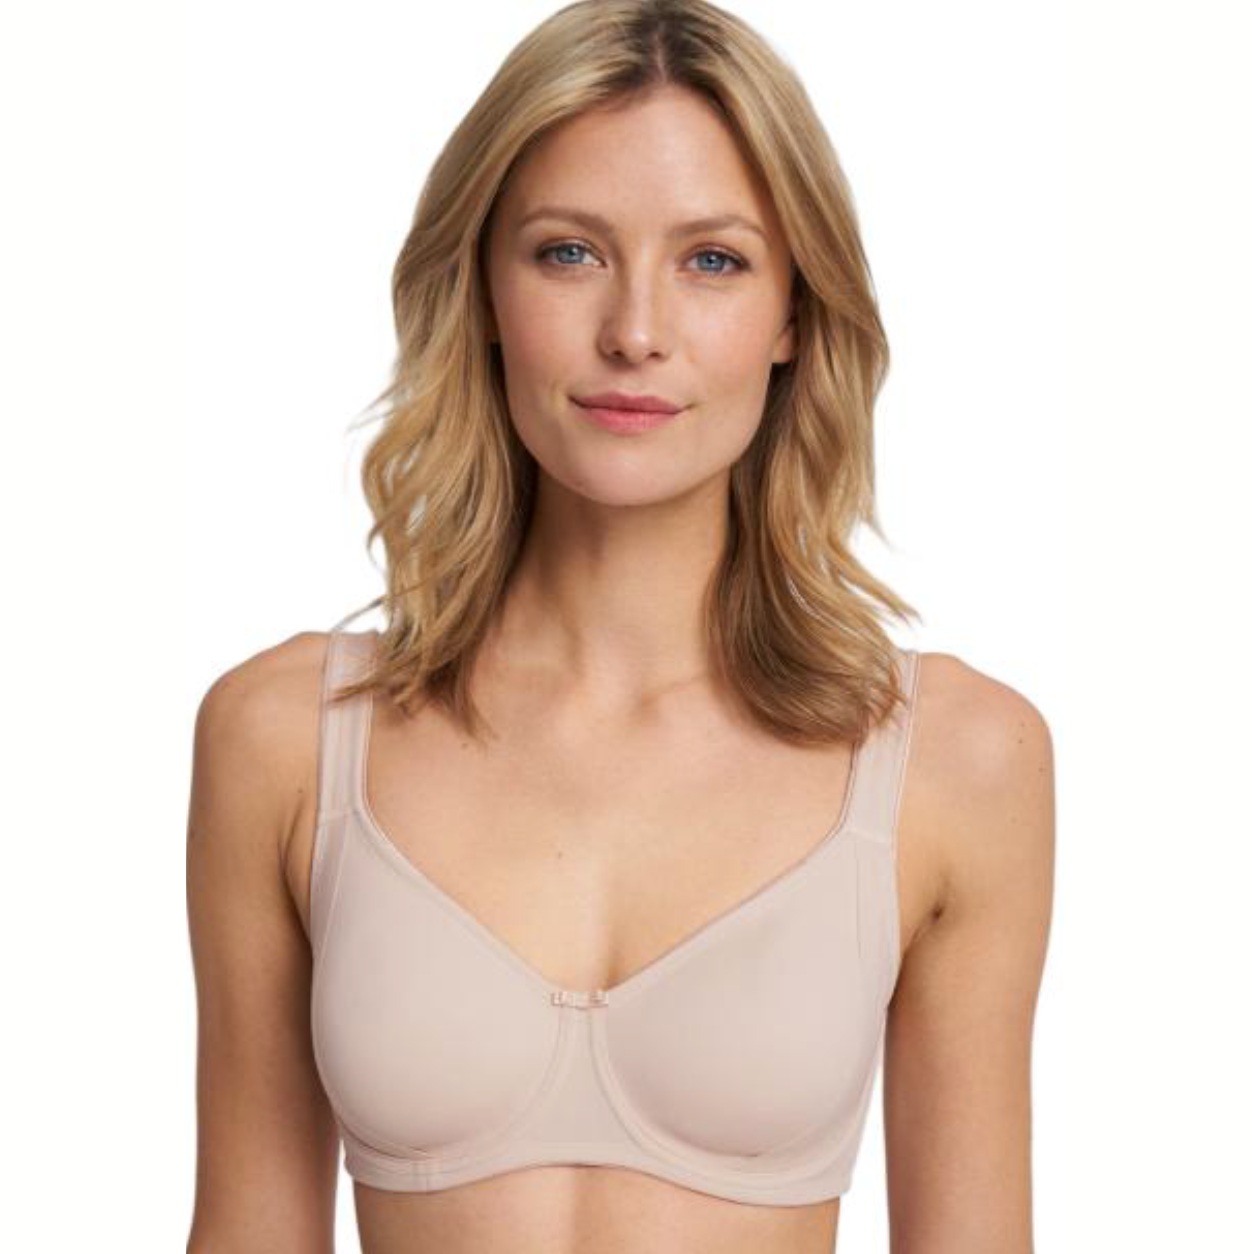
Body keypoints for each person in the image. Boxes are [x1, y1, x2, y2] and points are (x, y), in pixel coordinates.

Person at [185, 2, 1055, 1251]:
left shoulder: (956, 762)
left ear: (794, 314)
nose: (635, 332)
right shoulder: (283, 741)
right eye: (568, 252)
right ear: (484, 290)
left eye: (713, 262)